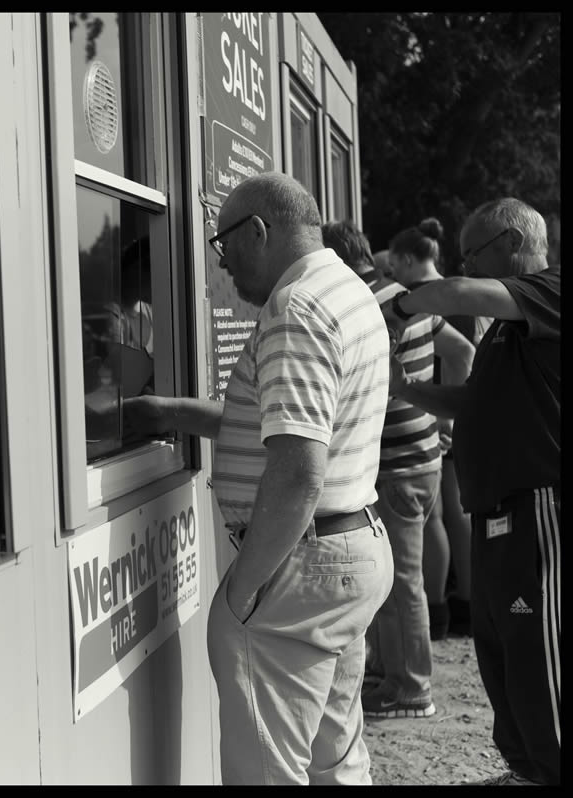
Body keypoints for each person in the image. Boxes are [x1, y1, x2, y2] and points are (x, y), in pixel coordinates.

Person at [124, 174, 393, 784]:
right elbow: (287, 428)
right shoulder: (345, 291)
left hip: (301, 565)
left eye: (224, 247)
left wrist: (242, 592)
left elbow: (298, 469)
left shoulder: (295, 311)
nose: (223, 267)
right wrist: (167, 412)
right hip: (348, 550)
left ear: (259, 232)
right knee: (336, 758)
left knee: (266, 773)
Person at [383, 198, 560, 787]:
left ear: (511, 244)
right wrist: (407, 388)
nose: (465, 265)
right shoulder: (504, 331)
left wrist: (401, 304)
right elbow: (472, 402)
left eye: (473, 253)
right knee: (500, 651)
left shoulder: (548, 291)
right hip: (493, 512)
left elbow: (456, 291)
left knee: (538, 655)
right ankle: (525, 766)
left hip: (537, 509)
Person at [359, 219, 475, 718]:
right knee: (403, 576)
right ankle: (393, 675)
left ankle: (411, 689)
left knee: (400, 581)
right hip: (425, 457)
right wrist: (443, 414)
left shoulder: (376, 306)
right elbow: (462, 352)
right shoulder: (411, 300)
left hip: (399, 464)